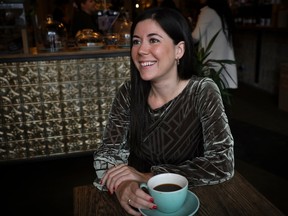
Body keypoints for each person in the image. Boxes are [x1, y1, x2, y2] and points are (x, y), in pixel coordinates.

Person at [93, 7, 234, 216]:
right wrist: (123, 186)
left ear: (179, 50)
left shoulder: (202, 91)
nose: (141, 50)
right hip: (139, 197)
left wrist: (147, 176)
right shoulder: (129, 93)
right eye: (136, 41)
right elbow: (107, 154)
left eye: (154, 40)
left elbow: (222, 162)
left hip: (192, 199)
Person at [192, 0, 238, 89]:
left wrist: (182, 37)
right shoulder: (223, 12)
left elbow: (195, 36)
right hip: (222, 60)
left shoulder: (208, 12)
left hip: (211, 61)